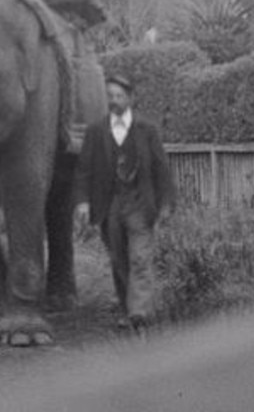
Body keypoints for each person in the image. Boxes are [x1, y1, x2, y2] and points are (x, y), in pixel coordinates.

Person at [74, 74, 176, 331]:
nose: (114, 101)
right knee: (119, 258)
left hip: (140, 204)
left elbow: (161, 169)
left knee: (140, 257)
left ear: (131, 99)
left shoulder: (146, 129)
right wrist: (83, 202)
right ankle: (127, 307)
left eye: (119, 96)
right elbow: (84, 170)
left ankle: (139, 312)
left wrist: (166, 204)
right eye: (110, 96)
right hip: (109, 205)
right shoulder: (96, 131)